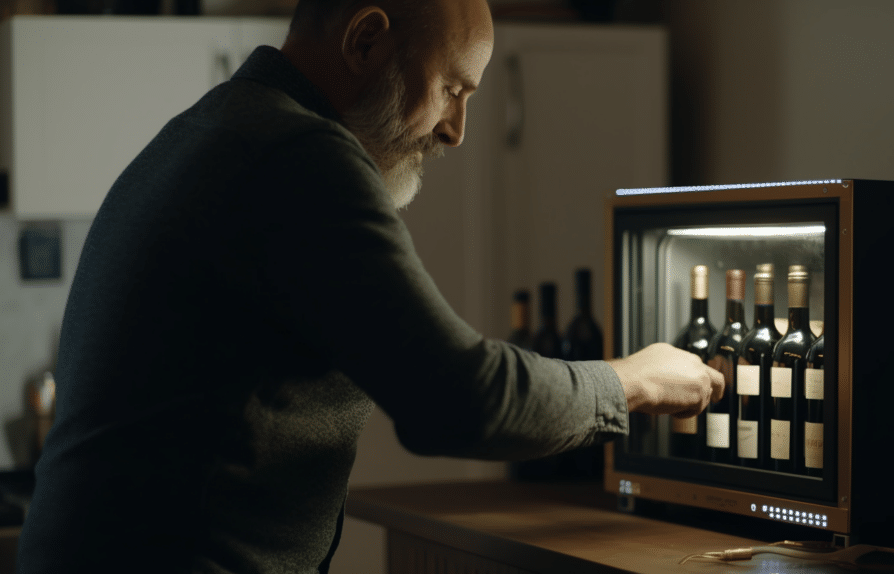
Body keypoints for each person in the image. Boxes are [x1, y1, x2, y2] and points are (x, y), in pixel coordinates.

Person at [16, 0, 724, 572]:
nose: (457, 131)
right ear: (366, 41)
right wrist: (632, 381)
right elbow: (460, 399)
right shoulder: (297, 155)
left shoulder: (211, 129)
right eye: (451, 88)